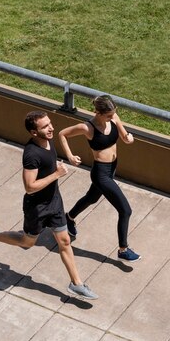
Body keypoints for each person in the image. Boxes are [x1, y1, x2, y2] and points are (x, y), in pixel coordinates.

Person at [0, 110, 98, 300]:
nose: (51, 128)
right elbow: (29, 187)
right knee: (27, 242)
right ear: (34, 132)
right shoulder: (31, 154)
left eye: (50, 124)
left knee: (64, 241)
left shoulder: (48, 140)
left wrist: (67, 159)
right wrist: (56, 174)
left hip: (54, 202)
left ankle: (77, 284)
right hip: (37, 207)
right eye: (45, 127)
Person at [58, 95, 140, 261]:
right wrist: (70, 156)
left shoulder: (113, 117)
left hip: (112, 168)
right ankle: (123, 249)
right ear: (99, 113)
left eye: (113, 114)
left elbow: (124, 136)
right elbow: (62, 134)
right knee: (125, 210)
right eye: (108, 116)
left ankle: (69, 218)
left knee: (91, 198)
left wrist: (128, 138)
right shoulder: (88, 128)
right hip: (101, 173)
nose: (112, 118)